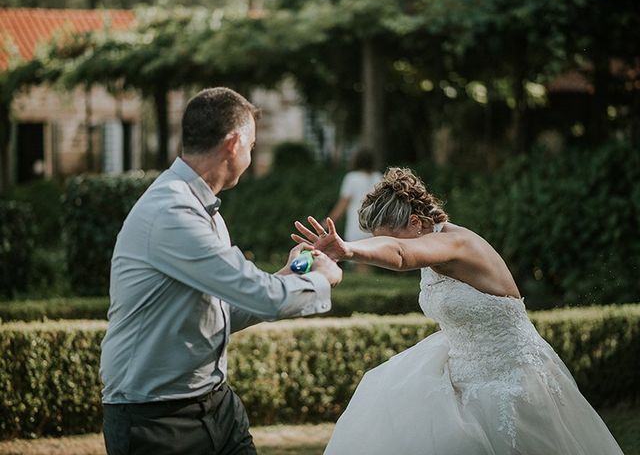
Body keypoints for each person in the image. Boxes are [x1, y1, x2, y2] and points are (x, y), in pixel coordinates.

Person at [292, 167, 624, 455]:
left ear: (416, 222)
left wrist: (348, 251)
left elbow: (400, 253)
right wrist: (338, 252)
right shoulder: (428, 242)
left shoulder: (455, 244)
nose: (380, 245)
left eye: (389, 237)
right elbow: (394, 245)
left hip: (509, 376)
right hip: (461, 366)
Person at [100, 87, 342, 455]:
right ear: (233, 144)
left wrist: (294, 271)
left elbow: (224, 309)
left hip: (216, 403)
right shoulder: (173, 213)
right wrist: (322, 278)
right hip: (155, 418)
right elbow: (263, 298)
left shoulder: (202, 208)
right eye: (252, 146)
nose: (251, 155)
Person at [327, 147, 382, 272]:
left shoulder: (352, 178)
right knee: (371, 258)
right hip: (375, 224)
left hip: (356, 224)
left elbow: (343, 204)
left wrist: (329, 220)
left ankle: (363, 286)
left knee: (359, 260)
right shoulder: (379, 177)